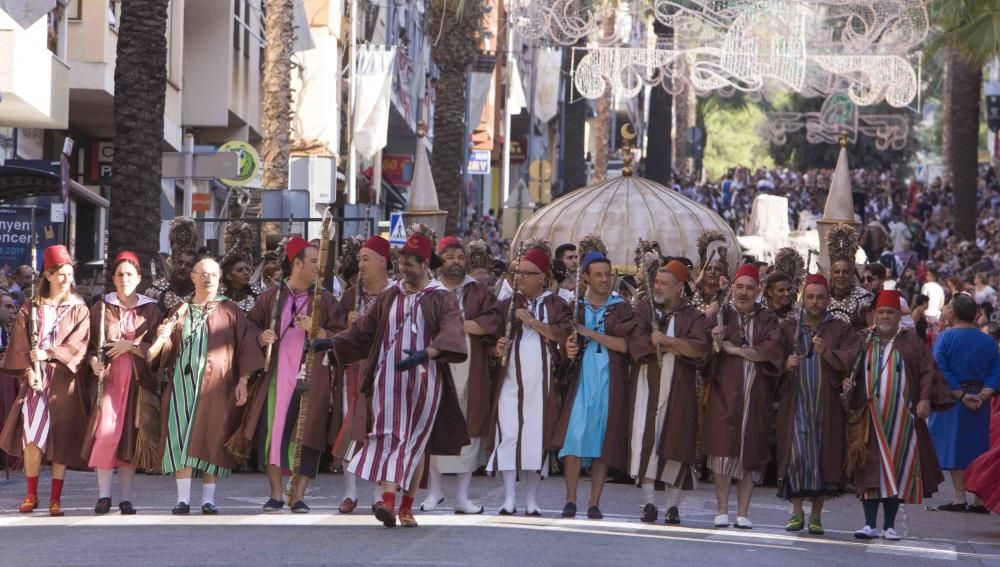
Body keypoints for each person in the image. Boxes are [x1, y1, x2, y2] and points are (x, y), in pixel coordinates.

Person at [320, 233, 469, 528]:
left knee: (415, 442)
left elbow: (452, 331)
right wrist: (330, 345)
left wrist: (426, 353)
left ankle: (406, 506)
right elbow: (363, 333)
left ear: (425, 264)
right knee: (390, 435)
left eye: (410, 265)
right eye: (400, 264)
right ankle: (387, 501)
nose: (403, 270)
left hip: (425, 380)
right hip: (388, 377)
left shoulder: (441, 297)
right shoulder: (391, 296)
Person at [149, 257, 264, 515]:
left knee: (213, 437)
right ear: (193, 277)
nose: (208, 278)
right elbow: (167, 349)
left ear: (219, 277)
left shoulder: (230, 310)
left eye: (213, 274)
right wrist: (163, 338)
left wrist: (243, 381)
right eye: (203, 274)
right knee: (180, 435)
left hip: (218, 386)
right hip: (182, 382)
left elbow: (246, 345)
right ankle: (183, 499)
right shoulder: (180, 309)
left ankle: (209, 500)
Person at [244, 237, 345, 513]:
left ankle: (299, 495)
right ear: (297, 263)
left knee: (307, 431)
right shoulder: (270, 297)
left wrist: (318, 330)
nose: (318, 268)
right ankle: (276, 493)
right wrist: (261, 336)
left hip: (311, 373)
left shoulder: (325, 300)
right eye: (313, 262)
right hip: (277, 375)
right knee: (273, 433)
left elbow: (342, 336)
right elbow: (249, 327)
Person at [845, 290, 952, 541]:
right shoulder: (862, 339)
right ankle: (869, 524)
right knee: (869, 468)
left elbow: (928, 371)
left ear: (898, 315)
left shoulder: (911, 341)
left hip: (902, 418)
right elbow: (847, 364)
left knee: (898, 468)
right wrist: (845, 381)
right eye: (881, 312)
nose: (885, 316)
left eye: (890, 313)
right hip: (868, 417)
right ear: (874, 314)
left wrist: (925, 398)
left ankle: (889, 526)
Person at [0, 245, 91, 516]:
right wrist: (30, 370)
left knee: (61, 437)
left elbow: (79, 344)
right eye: (60, 274)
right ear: (48, 275)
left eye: (69, 273)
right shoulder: (31, 307)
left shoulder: (79, 309)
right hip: (36, 381)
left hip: (63, 379)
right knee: (32, 437)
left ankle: (55, 497)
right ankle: (31, 493)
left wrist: (48, 354)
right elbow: (19, 343)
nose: (66, 279)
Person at [487, 247, 572, 516]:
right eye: (516, 272)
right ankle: (509, 498)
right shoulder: (505, 305)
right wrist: (495, 347)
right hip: (510, 381)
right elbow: (490, 340)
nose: (519, 277)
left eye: (526, 273)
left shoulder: (557, 305)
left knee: (536, 437)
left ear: (542, 277)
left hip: (543, 384)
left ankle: (532, 500)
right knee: (509, 434)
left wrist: (531, 321)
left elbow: (562, 336)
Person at [551, 251, 634, 520]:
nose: (604, 280)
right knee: (574, 437)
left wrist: (590, 333)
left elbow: (623, 345)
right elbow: (564, 343)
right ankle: (570, 499)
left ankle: (594, 502)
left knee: (603, 439)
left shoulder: (620, 307)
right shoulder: (574, 307)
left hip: (610, 378)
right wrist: (570, 348)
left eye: (608, 275)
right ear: (585, 277)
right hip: (582, 378)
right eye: (598, 275)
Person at [420, 237, 500, 514]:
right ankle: (435, 491)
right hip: (435, 365)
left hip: (470, 368)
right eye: (449, 256)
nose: (455, 261)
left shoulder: (479, 292)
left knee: (469, 428)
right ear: (439, 260)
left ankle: (463, 497)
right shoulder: (427, 291)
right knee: (433, 424)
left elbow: (490, 324)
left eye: (459, 257)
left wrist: (457, 323)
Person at [627, 260, 710, 524]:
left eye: (664, 284)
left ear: (678, 288)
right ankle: (650, 503)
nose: (658, 288)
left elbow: (699, 347)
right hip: (648, 385)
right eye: (656, 283)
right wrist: (664, 345)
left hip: (680, 389)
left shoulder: (693, 316)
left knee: (677, 441)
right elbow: (636, 342)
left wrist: (670, 342)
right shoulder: (644, 310)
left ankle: (673, 506)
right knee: (646, 440)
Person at [778, 274, 860, 535]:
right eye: (810, 297)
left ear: (828, 299)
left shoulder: (839, 327)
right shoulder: (789, 327)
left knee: (822, 456)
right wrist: (784, 365)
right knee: (797, 455)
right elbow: (773, 360)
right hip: (797, 401)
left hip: (826, 404)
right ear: (803, 298)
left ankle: (816, 515)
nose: (814, 302)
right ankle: (796, 511)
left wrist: (828, 353)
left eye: (820, 297)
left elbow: (849, 361)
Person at [704, 264, 783, 529]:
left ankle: (744, 512)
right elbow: (705, 350)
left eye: (750, 288)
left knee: (750, 450)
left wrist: (735, 350)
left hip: (755, 393)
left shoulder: (768, 318)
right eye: (740, 287)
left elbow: (768, 352)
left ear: (758, 291)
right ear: (733, 288)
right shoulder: (721, 315)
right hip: (724, 390)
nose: (744, 293)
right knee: (722, 450)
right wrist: (715, 341)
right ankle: (722, 509)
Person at [85, 251, 162, 515]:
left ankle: (126, 499)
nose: (124, 278)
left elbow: (161, 346)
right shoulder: (101, 307)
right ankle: (104, 496)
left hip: (137, 383)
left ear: (139, 278)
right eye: (120, 274)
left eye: (129, 274)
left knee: (129, 439)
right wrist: (92, 361)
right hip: (108, 383)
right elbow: (89, 344)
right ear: (113, 278)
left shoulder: (150, 309)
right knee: (105, 434)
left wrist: (133, 346)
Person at [330, 235, 393, 514]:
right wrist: (349, 324)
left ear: (383, 261)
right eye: (359, 259)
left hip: (384, 368)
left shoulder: (396, 294)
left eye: (367, 258)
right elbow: (336, 333)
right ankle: (350, 491)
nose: (361, 264)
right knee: (351, 423)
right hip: (355, 369)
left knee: (380, 426)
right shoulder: (350, 295)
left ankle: (379, 493)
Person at [928, 294, 1000, 513]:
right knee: (978, 447)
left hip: (953, 400)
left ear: (953, 312)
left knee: (955, 448)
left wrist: (960, 394)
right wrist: (983, 395)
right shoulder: (987, 340)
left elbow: (939, 366)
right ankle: (979, 499)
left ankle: (960, 497)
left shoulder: (944, 338)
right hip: (980, 401)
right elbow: (996, 370)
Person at [146, 217, 198, 312]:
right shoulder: (158, 288)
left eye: (188, 265)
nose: (183, 268)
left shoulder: (201, 290)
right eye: (180, 262)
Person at [827, 224, 872, 330]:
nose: (841, 276)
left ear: (852, 274)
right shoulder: (822, 296)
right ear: (831, 274)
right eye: (837, 272)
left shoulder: (864, 298)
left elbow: (873, 332)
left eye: (845, 272)